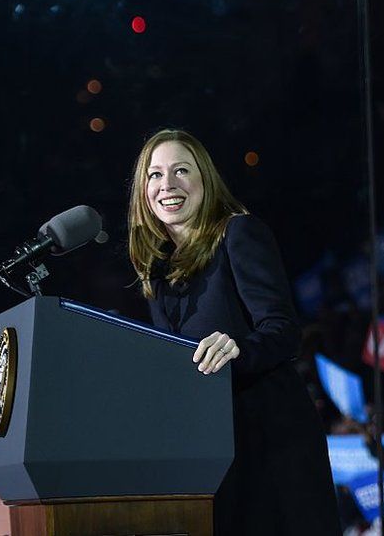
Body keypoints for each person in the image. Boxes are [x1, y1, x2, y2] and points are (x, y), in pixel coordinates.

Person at [127, 129, 340, 535]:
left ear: (205, 179)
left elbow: (283, 330)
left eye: (180, 170)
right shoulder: (156, 270)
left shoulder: (237, 233)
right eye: (154, 175)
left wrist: (238, 349)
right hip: (206, 450)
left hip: (268, 441)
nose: (166, 185)